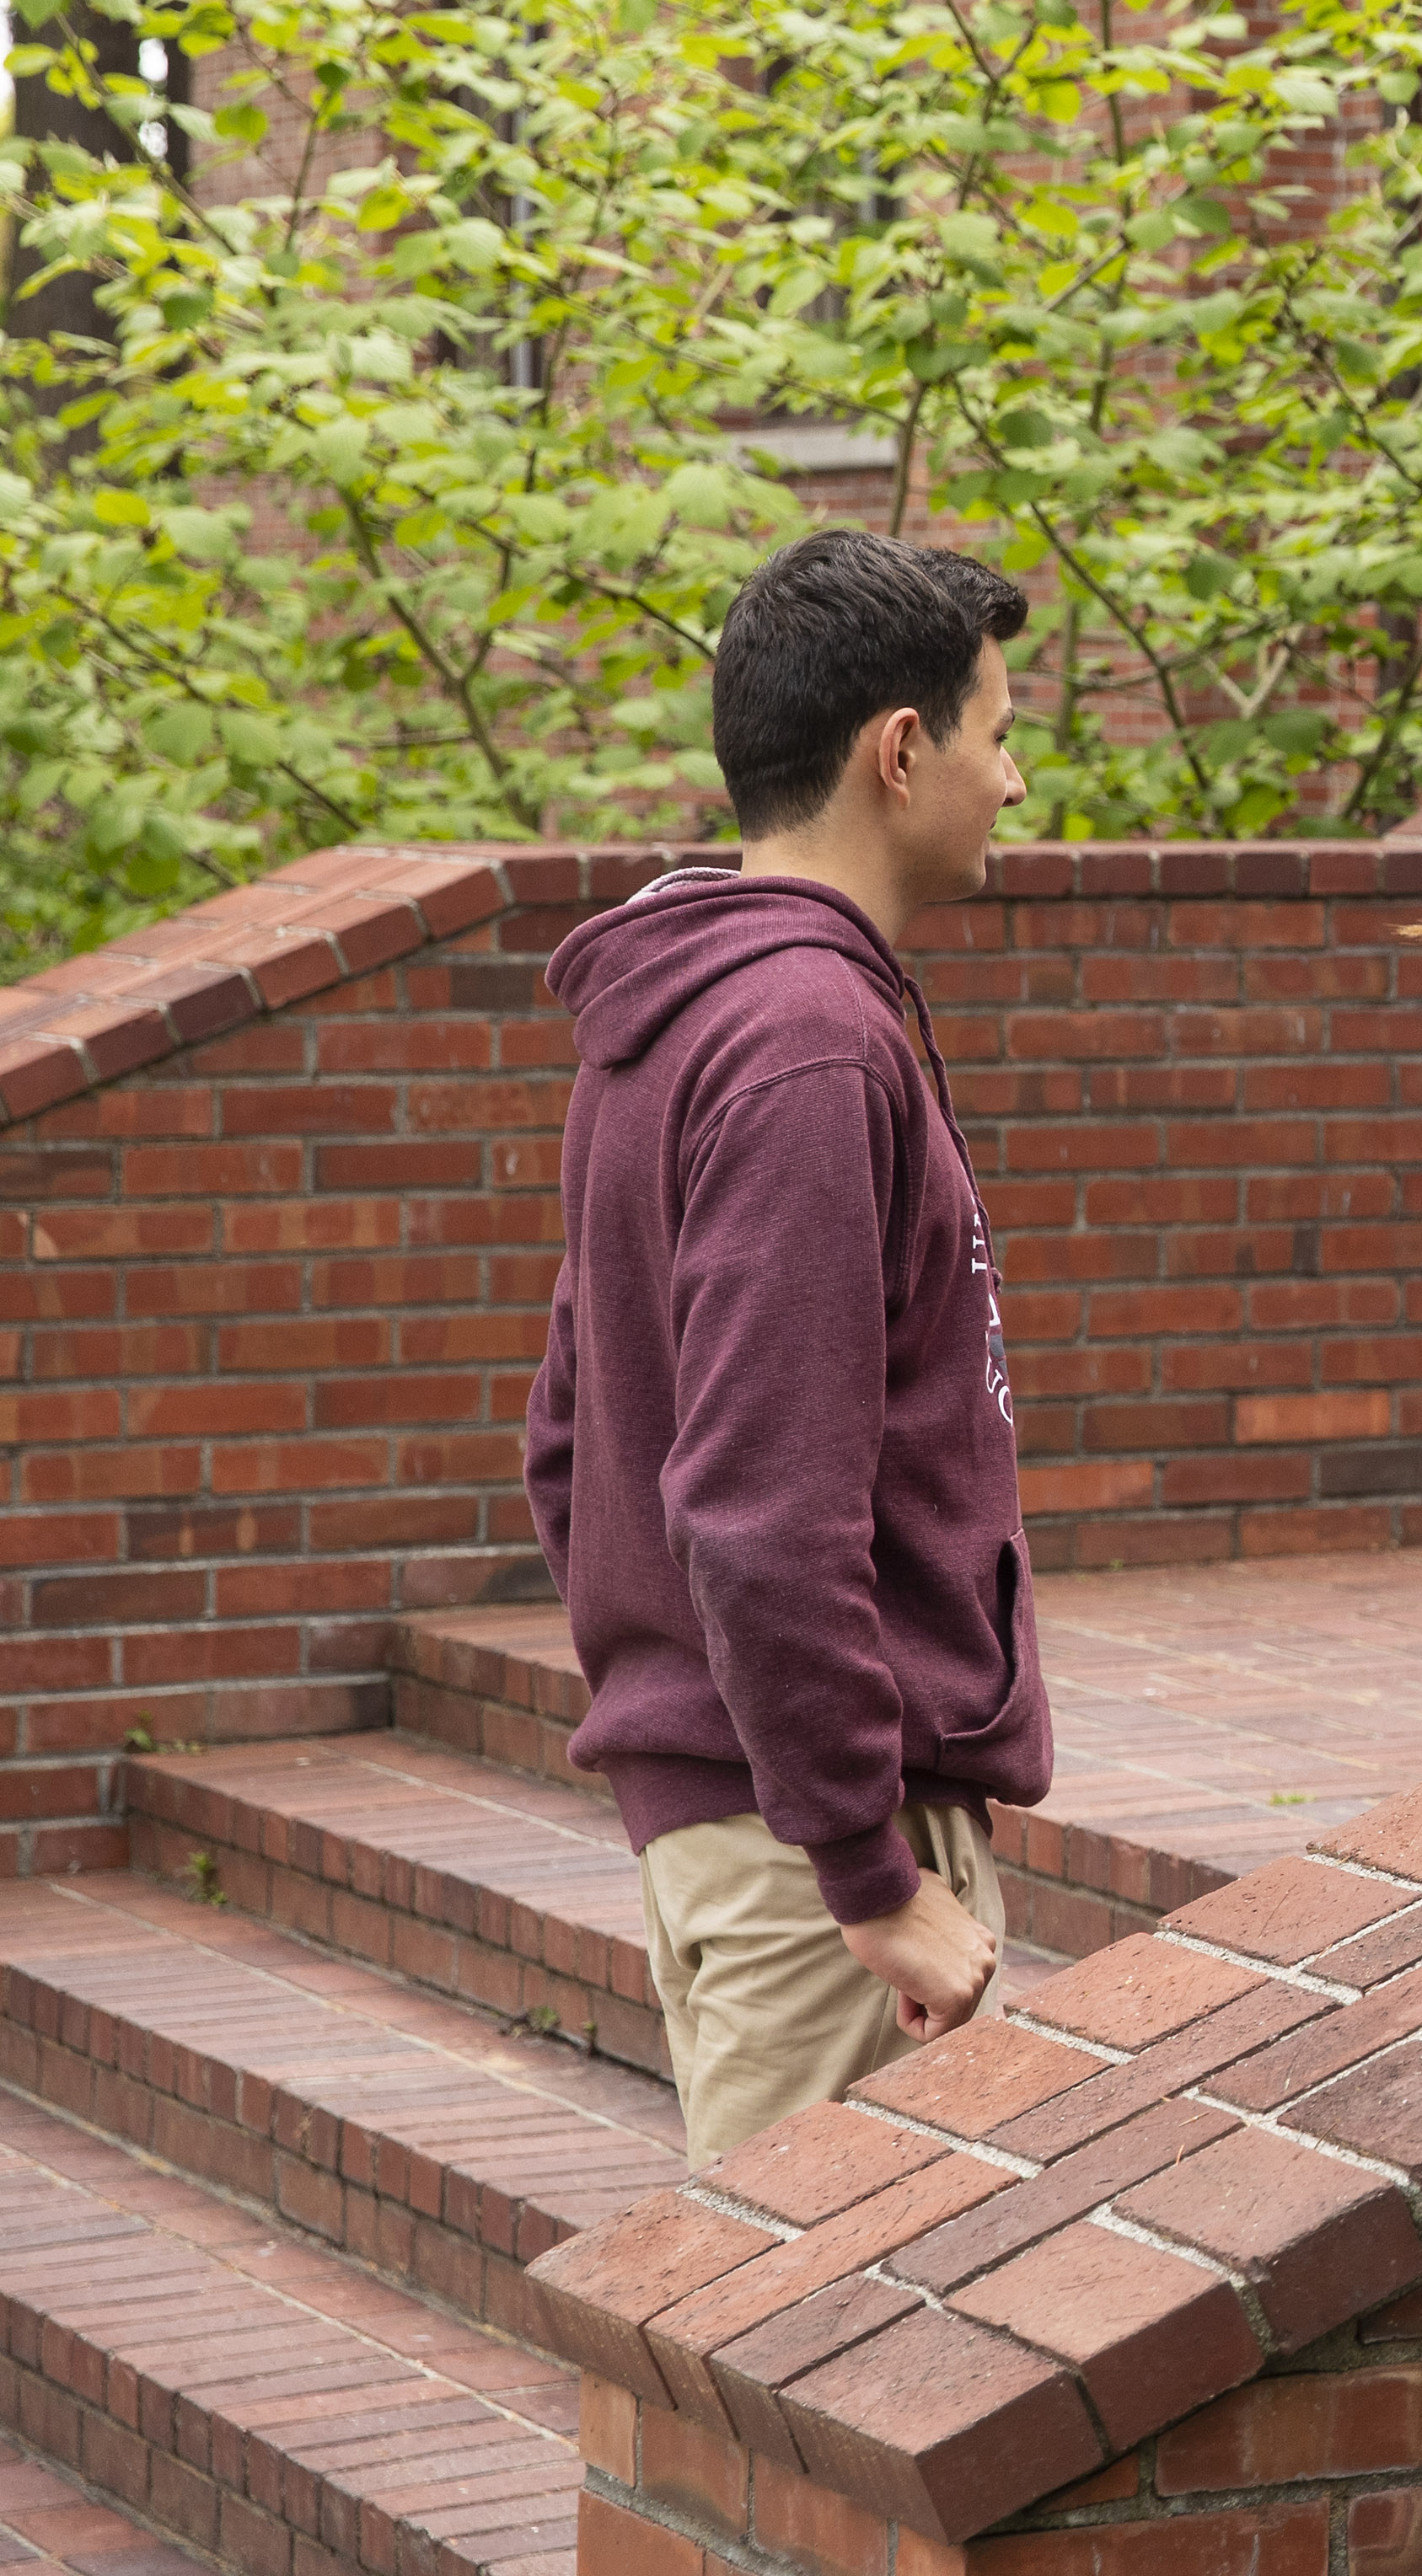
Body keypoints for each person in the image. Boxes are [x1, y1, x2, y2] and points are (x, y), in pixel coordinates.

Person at [529, 528, 1046, 2164]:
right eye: (999, 728)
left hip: (747, 1808)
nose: (1015, 780)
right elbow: (762, 1501)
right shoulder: (806, 1043)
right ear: (903, 750)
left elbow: (572, 1433)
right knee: (808, 2375)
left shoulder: (682, 1009)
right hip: (815, 1845)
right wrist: (869, 1874)